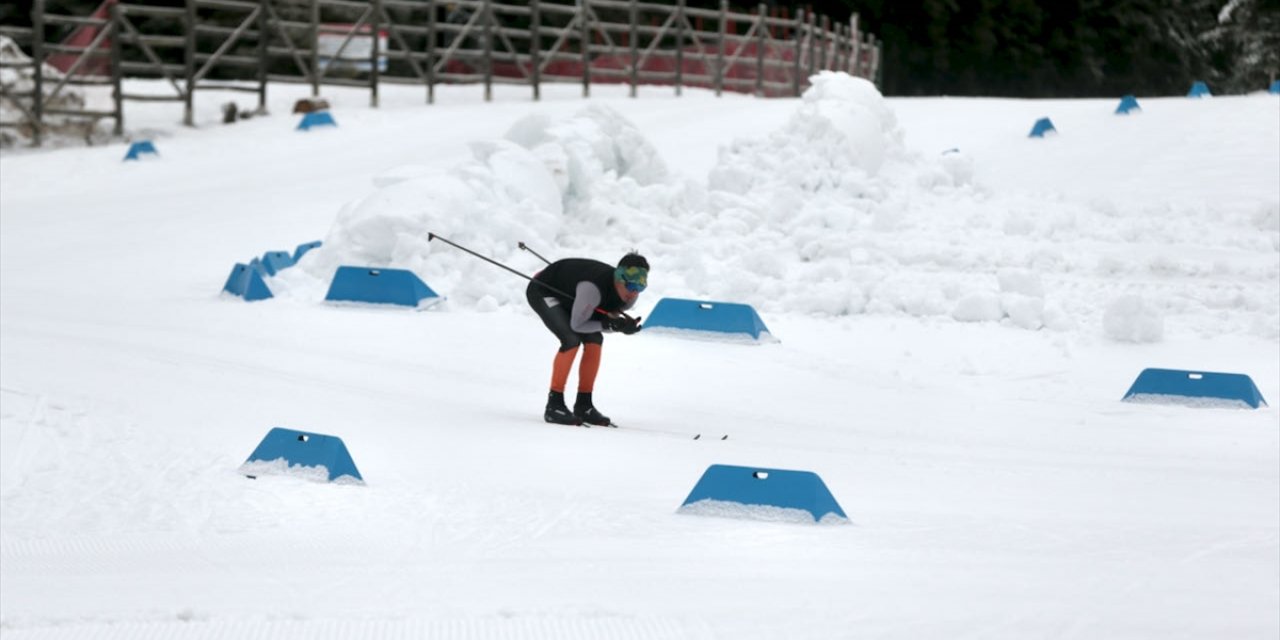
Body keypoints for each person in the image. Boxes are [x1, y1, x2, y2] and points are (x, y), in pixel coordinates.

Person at [525, 252, 648, 426]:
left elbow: (606, 317)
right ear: (619, 278)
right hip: (543, 290)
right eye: (630, 285)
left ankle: (584, 405)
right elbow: (577, 324)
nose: (634, 292)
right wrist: (611, 325)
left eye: (640, 288)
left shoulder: (628, 297)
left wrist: (619, 325)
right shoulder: (592, 289)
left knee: (595, 340)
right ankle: (554, 405)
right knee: (571, 339)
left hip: (575, 298)